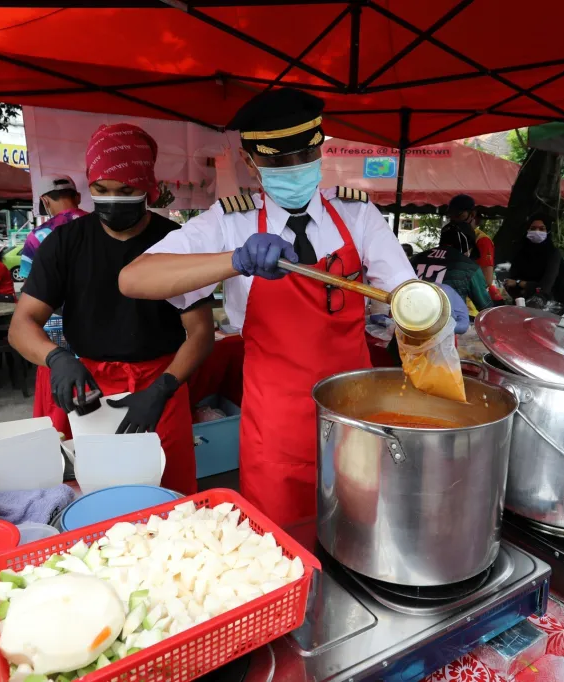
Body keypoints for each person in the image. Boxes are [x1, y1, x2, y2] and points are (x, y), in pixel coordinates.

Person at [116, 88, 467, 526]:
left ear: (321, 149)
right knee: (285, 544)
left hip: (353, 416)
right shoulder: (230, 222)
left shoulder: (357, 215)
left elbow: (402, 294)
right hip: (276, 427)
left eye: (305, 154)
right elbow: (133, 279)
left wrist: (432, 308)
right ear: (251, 163)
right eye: (279, 161)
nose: (295, 168)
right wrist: (235, 259)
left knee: (358, 533)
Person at [8, 123, 215, 496]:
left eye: (127, 191)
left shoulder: (176, 243)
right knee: (102, 495)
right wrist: (57, 359)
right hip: (89, 389)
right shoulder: (64, 243)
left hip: (160, 387)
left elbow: (200, 332)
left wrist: (165, 388)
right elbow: (22, 324)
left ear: (148, 188)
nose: (113, 200)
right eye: (101, 190)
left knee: (169, 496)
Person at [411, 226, 493, 318]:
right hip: (447, 324)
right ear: (467, 246)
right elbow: (486, 307)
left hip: (411, 317)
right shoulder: (468, 266)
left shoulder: (416, 259)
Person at [20, 175, 87, 279]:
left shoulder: (37, 236)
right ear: (78, 197)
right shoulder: (102, 224)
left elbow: (30, 282)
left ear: (44, 201)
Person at [504, 213, 564, 309]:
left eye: (541, 229)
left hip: (553, 302)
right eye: (533, 228)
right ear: (527, 230)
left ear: (548, 231)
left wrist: (519, 283)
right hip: (523, 302)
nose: (537, 231)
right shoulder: (520, 252)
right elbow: (511, 281)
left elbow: (545, 287)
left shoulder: (553, 254)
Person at [443, 194, 501, 304]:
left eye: (458, 215)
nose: (454, 220)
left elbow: (486, 280)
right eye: (451, 216)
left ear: (472, 214)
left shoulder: (482, 240)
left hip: (469, 305)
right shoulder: (448, 236)